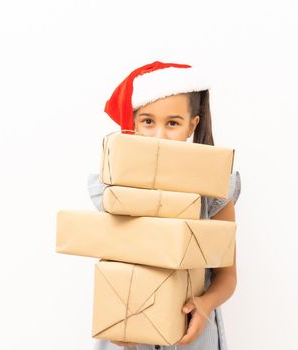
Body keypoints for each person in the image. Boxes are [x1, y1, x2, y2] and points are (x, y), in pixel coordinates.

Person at [88, 61, 241, 350]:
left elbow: (227, 276)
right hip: (128, 336)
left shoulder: (215, 192)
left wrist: (205, 304)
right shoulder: (113, 190)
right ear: (133, 123)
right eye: (148, 121)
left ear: (192, 125)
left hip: (192, 334)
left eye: (172, 123)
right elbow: (111, 270)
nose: (159, 135)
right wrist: (117, 317)